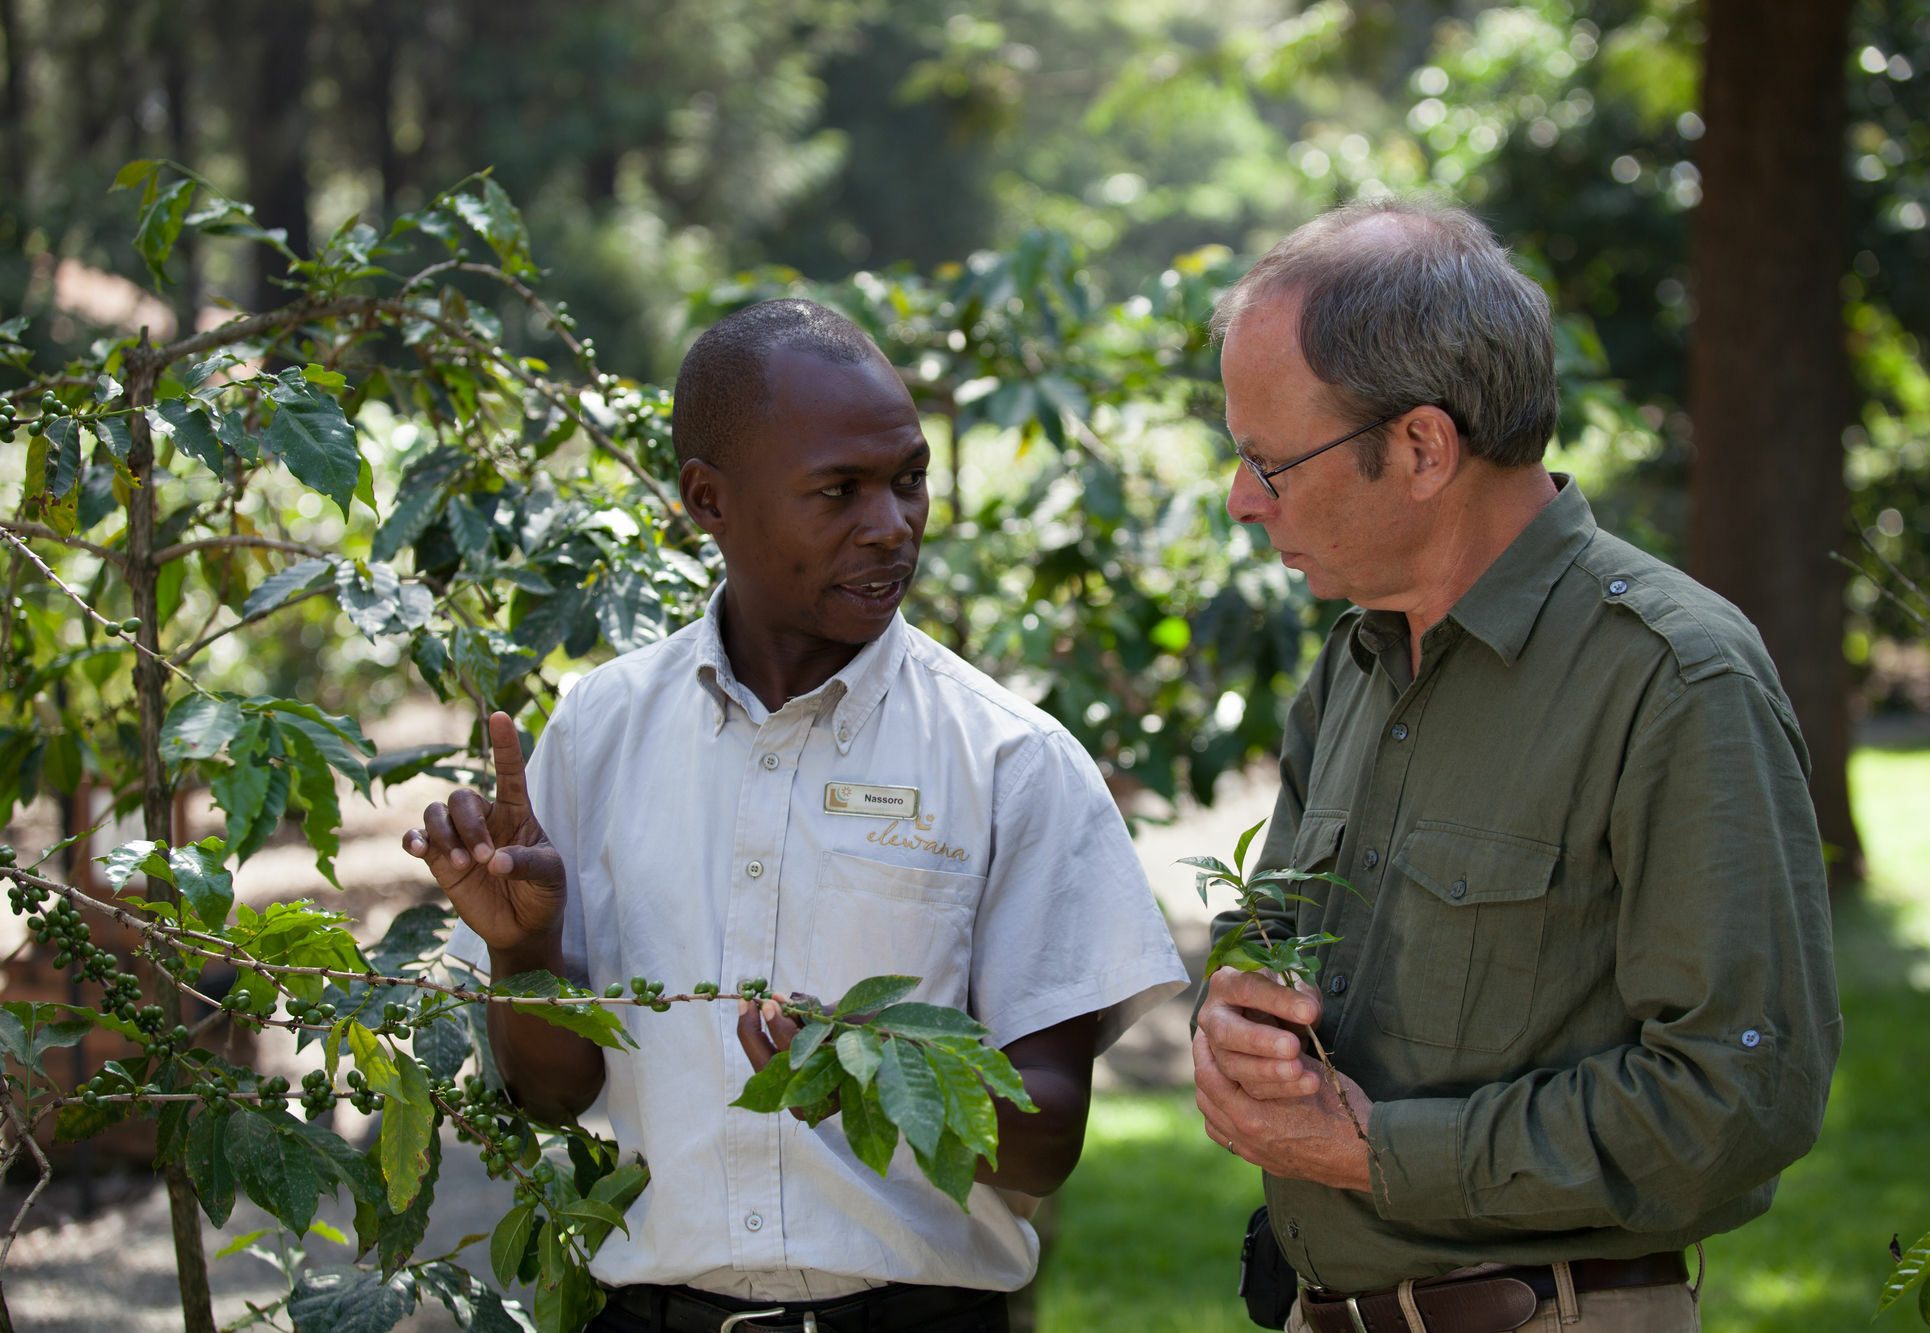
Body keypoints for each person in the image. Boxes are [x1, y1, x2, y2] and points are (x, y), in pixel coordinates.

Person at [403, 298, 1188, 1333]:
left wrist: (871, 1069)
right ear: (706, 500)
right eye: (839, 490)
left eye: (908, 479)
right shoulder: (597, 731)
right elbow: (552, 1095)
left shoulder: (1010, 760)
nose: (891, 523)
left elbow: (1049, 1135)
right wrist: (526, 955)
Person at [1191, 199, 1842, 1333]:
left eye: (1267, 462)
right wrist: (1235, 1018)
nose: (1241, 501)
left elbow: (1737, 1099)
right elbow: (1276, 939)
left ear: (1420, 446)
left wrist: (1373, 1153)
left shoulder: (1672, 681)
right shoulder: (1350, 661)